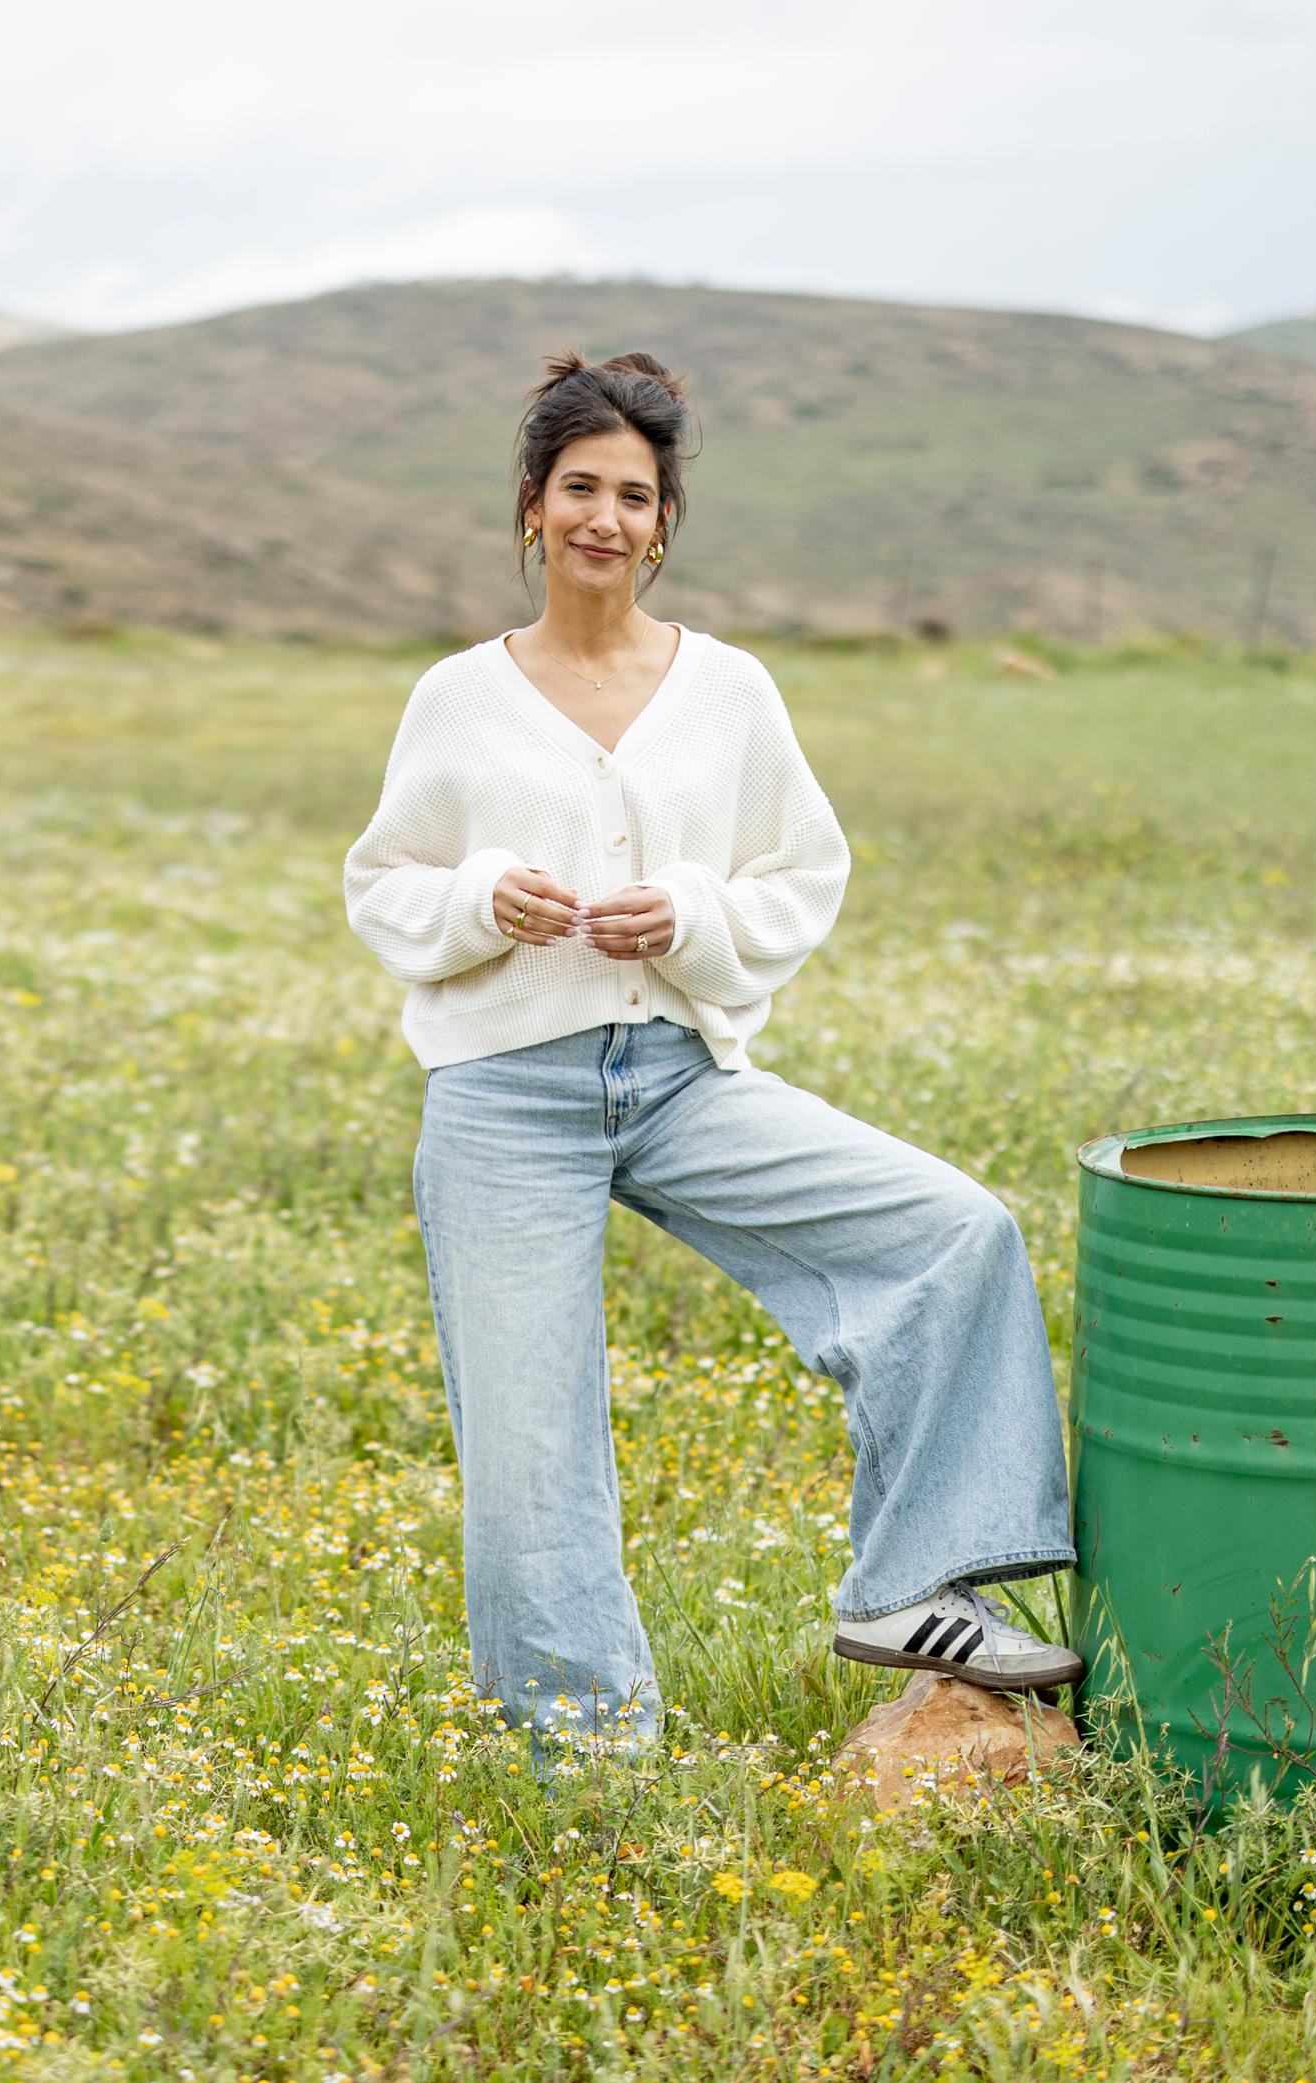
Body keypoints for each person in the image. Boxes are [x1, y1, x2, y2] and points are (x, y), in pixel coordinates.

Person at [343, 351, 1080, 1755]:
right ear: (531, 506)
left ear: (665, 520)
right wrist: (476, 894)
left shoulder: (729, 690)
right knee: (531, 1452)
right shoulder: (457, 696)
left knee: (954, 1230)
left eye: (634, 492)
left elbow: (803, 874)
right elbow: (384, 882)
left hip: (682, 1077)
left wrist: (688, 912)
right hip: (506, 1098)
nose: (604, 517)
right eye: (579, 488)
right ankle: (585, 1758)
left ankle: (924, 1584)